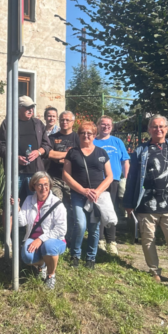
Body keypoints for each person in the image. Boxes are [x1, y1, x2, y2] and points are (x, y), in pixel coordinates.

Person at [123, 115, 168, 292]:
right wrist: (129, 202)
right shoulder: (141, 150)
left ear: (167, 129)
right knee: (148, 240)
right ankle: (154, 271)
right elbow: (132, 178)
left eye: (161, 126)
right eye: (154, 127)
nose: (158, 129)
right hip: (147, 205)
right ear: (149, 129)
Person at [62, 121, 113, 268]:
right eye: (83, 133)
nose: (86, 136)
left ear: (94, 135)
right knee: (80, 224)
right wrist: (82, 190)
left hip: (96, 196)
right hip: (78, 194)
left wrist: (97, 191)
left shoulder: (101, 152)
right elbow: (66, 174)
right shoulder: (73, 152)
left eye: (89, 133)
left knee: (94, 228)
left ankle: (91, 257)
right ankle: (75, 254)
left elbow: (109, 176)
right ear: (78, 135)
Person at [0, 96, 51, 204]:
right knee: (10, 202)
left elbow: (47, 145)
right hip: (15, 172)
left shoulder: (38, 124)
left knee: (34, 203)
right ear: (19, 108)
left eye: (32, 107)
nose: (31, 110)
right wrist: (14, 157)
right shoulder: (8, 123)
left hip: (35, 173)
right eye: (27, 107)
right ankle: (10, 221)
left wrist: (38, 152)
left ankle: (32, 222)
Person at [18, 171, 67, 290]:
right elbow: (21, 222)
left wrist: (40, 239)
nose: (43, 188)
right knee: (27, 257)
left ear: (50, 185)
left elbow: (61, 229)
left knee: (49, 246)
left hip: (54, 240)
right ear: (34, 186)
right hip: (32, 238)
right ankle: (43, 264)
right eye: (39, 185)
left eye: (46, 184)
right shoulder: (29, 200)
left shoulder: (57, 204)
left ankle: (51, 275)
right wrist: (17, 209)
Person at [93, 115, 130, 256]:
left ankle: (112, 241)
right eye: (103, 124)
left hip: (113, 181)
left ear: (112, 127)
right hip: (98, 181)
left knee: (112, 210)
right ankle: (100, 240)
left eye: (108, 124)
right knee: (99, 210)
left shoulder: (117, 142)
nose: (106, 126)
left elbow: (125, 161)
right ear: (98, 126)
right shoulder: (93, 141)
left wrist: (125, 179)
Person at [45, 111, 78, 228]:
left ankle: (69, 234)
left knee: (71, 208)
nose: (64, 122)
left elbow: (79, 156)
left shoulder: (78, 138)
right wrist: (68, 155)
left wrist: (60, 157)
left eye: (67, 120)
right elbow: (49, 154)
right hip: (55, 178)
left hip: (72, 180)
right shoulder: (51, 138)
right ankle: (55, 232)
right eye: (62, 120)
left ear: (73, 122)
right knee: (56, 206)